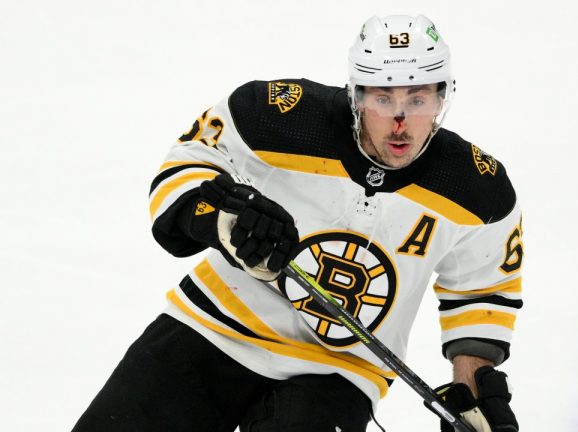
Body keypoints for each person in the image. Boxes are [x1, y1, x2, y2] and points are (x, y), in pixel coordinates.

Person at [73, 14, 523, 432]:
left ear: (442, 96)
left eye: (418, 99)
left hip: (338, 372)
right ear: (357, 95)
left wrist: (474, 384)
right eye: (384, 99)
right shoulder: (280, 116)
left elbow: (482, 288)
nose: (400, 122)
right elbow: (188, 163)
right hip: (212, 327)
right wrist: (221, 219)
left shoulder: (478, 190)